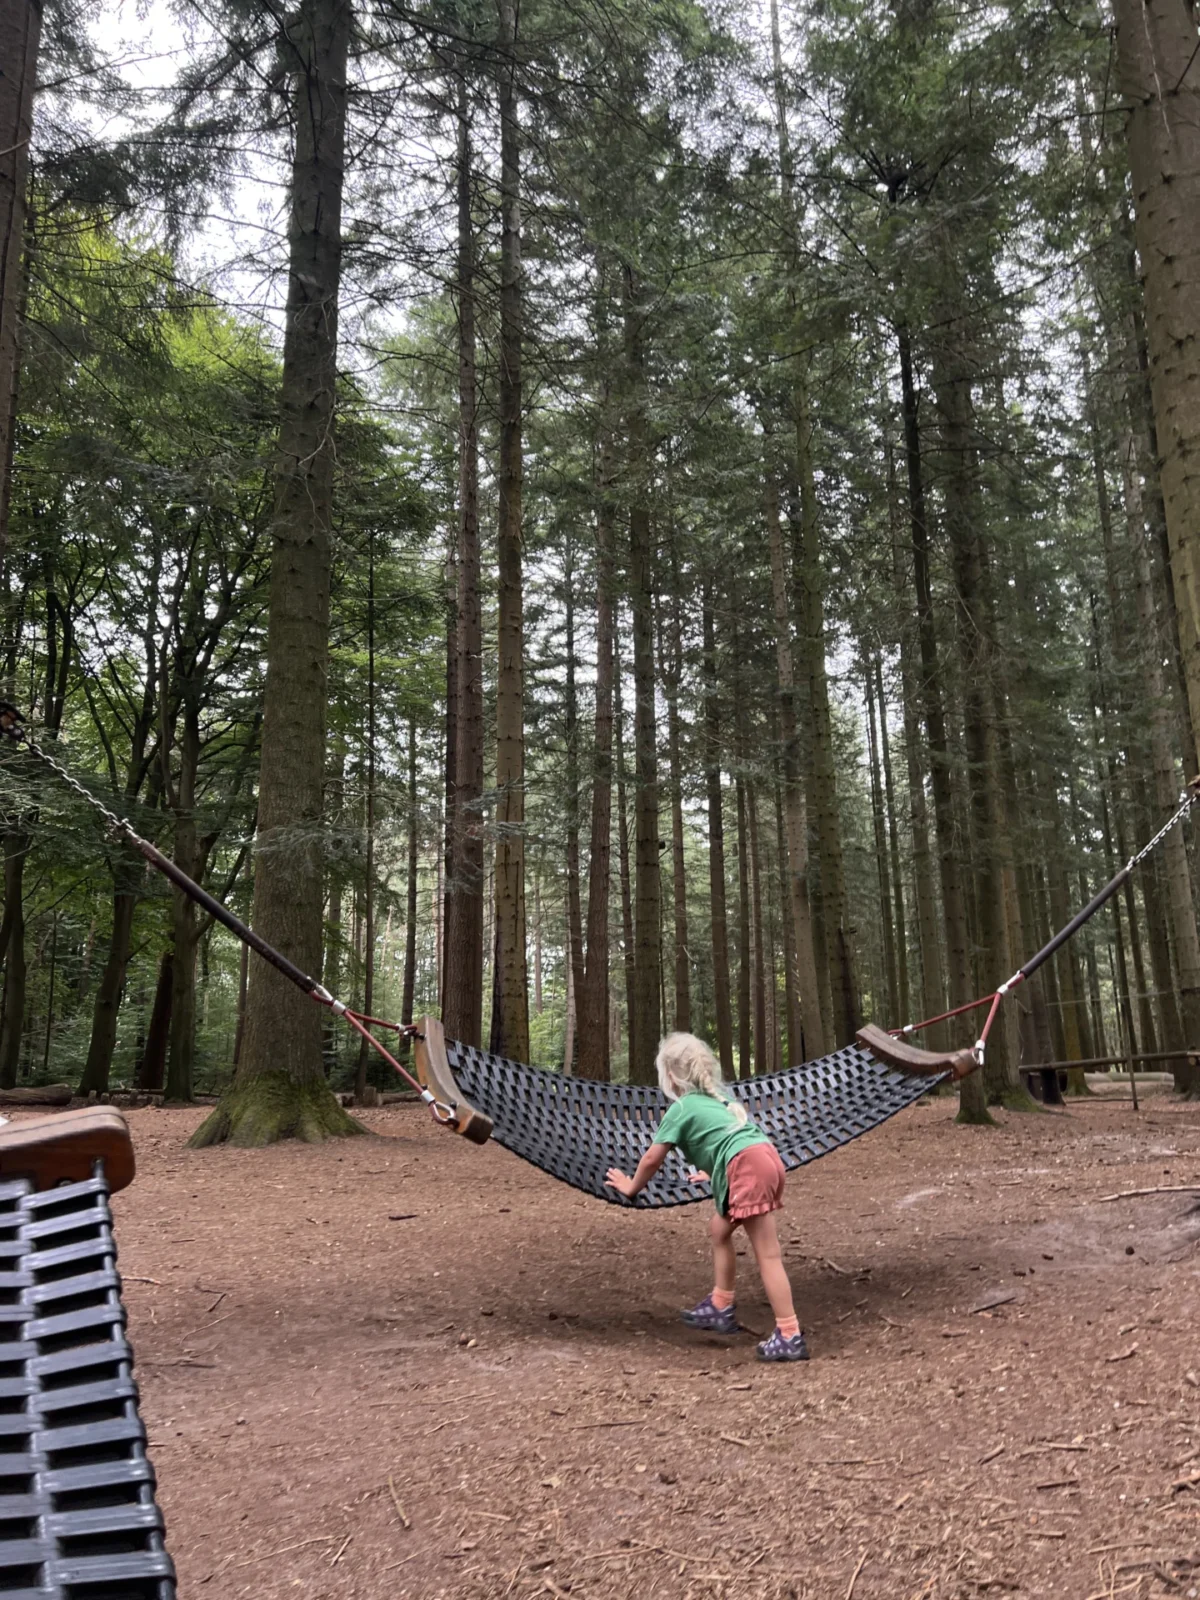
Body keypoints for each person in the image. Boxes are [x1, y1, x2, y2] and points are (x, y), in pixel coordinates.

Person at [604, 1032, 808, 1362]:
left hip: (746, 1168)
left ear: (670, 1075)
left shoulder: (682, 1107)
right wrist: (717, 1170)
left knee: (768, 1255)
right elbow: (730, 1139)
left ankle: (789, 1334)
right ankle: (720, 1305)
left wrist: (632, 1186)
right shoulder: (719, 1098)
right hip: (761, 1160)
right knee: (719, 1229)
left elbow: (652, 1158)